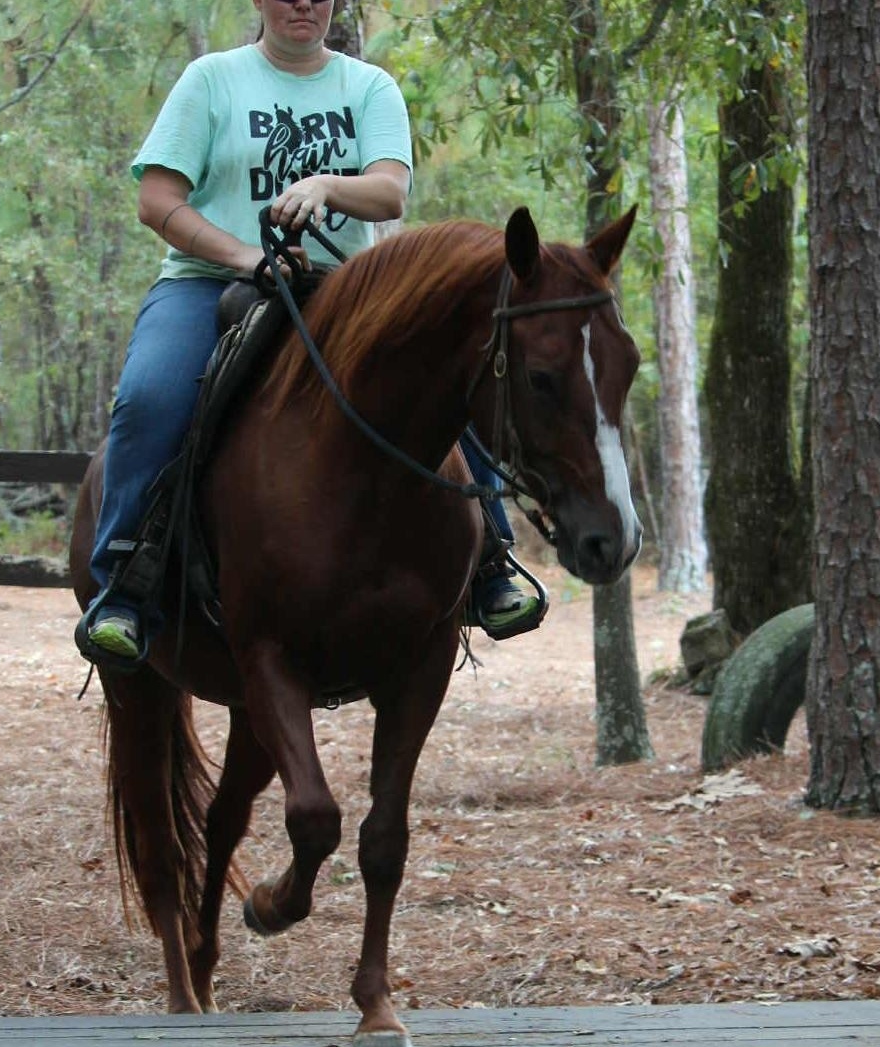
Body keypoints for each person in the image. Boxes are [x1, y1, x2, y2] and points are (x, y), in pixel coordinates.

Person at [78, 0, 541, 666]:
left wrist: (325, 184)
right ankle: (124, 581)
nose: (304, 2)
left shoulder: (368, 86)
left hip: (345, 291)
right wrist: (246, 256)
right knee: (150, 396)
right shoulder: (211, 80)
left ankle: (490, 563)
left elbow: (390, 192)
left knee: (451, 367)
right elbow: (157, 201)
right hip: (208, 281)